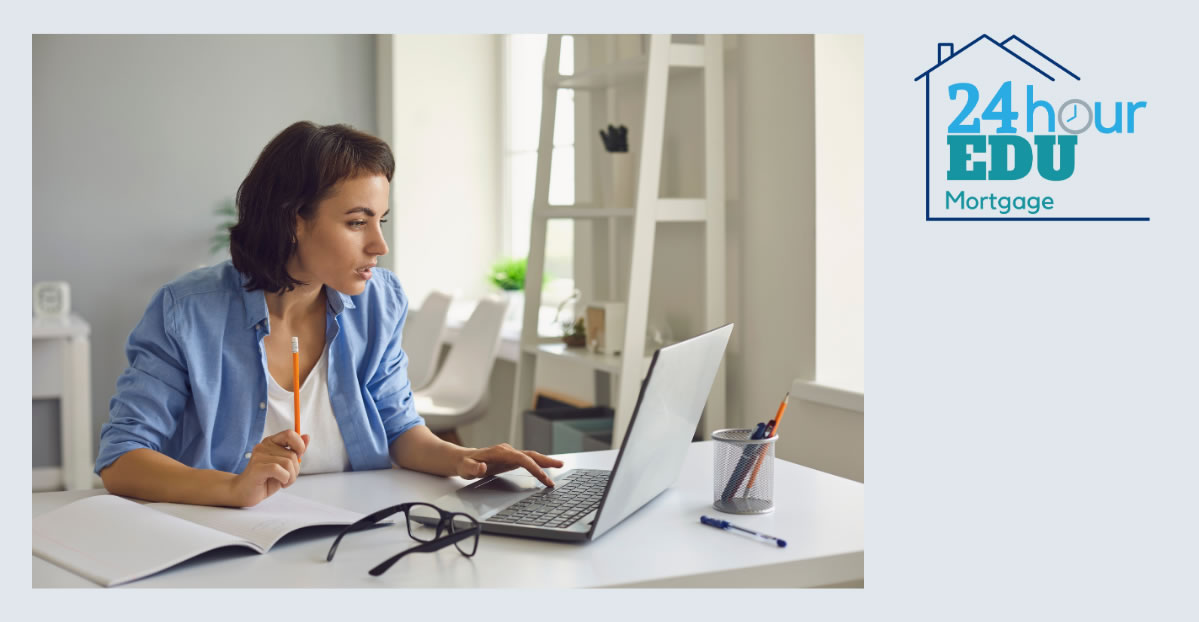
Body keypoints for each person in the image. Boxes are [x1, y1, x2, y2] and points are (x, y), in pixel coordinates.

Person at [96, 121, 562, 507]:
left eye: (380, 220)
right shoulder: (187, 311)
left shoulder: (379, 300)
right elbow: (122, 459)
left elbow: (399, 429)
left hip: (351, 531)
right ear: (293, 220)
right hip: (225, 540)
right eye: (357, 222)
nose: (379, 245)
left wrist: (466, 459)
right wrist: (233, 489)